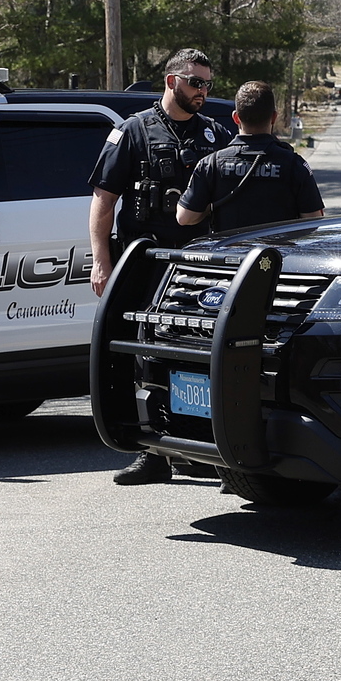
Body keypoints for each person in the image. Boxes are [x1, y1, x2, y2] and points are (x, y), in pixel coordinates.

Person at [88, 47, 230, 485]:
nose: (203, 91)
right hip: (147, 264)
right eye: (195, 82)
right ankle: (154, 452)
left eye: (208, 84)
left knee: (204, 356)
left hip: (200, 267)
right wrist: (101, 262)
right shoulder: (132, 132)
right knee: (145, 359)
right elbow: (103, 201)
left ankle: (208, 448)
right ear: (172, 82)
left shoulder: (215, 135)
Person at [176, 80, 323, 236]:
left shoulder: (211, 164)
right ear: (273, 118)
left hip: (231, 257)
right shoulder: (295, 165)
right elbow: (314, 221)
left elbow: (184, 217)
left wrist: (211, 204)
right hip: (277, 257)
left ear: (236, 118)